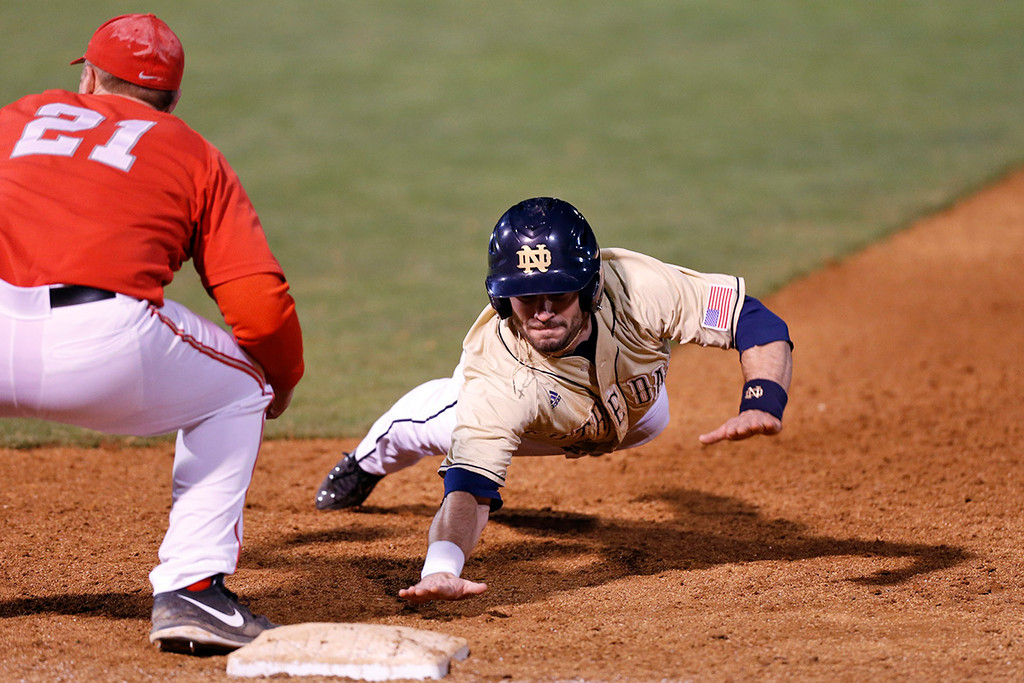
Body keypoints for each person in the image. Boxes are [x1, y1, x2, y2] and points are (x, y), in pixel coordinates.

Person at [315, 197, 792, 603]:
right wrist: (440, 567)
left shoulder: (638, 287)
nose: (543, 311)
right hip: (531, 418)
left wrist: (762, 401)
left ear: (589, 286)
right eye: (526, 297)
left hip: (637, 416)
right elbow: (470, 490)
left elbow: (755, 322)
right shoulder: (497, 381)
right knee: (431, 422)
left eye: (558, 294)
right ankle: (363, 464)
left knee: (652, 418)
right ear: (503, 299)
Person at [0, 15, 304, 652]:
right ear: (172, 100)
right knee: (238, 389)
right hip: (103, 348)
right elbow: (259, 306)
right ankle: (194, 593)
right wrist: (280, 380)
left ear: (88, 76)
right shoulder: (191, 151)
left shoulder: (19, 116)